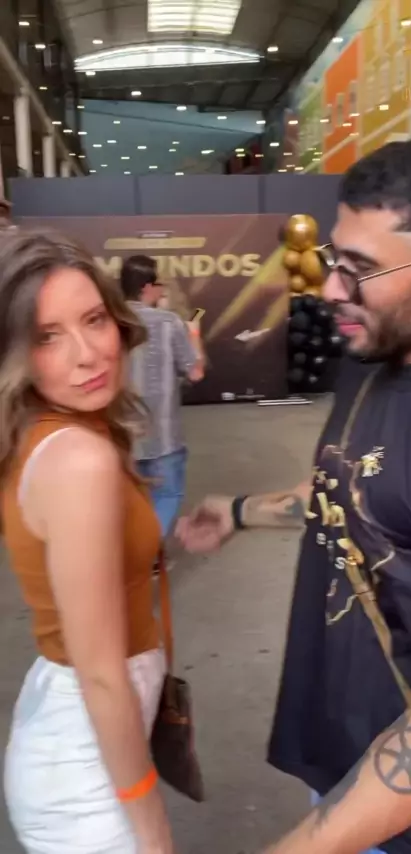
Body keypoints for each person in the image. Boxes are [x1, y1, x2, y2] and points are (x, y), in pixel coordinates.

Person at [177, 136, 411, 854]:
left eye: (360, 269)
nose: (331, 288)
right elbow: (359, 491)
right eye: (333, 260)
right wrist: (244, 511)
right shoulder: (374, 357)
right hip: (342, 755)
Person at [0, 229, 174, 854]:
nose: (87, 354)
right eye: (47, 336)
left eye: (94, 319)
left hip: (74, 732)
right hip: (86, 773)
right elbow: (101, 676)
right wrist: (151, 827)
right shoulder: (77, 458)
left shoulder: (45, 431)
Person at [120, 254, 205, 538]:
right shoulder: (170, 323)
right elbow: (195, 372)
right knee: (167, 494)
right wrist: (194, 334)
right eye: (159, 284)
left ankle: (131, 549)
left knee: (127, 499)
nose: (162, 290)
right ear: (147, 287)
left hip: (121, 436)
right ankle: (149, 551)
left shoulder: (109, 320)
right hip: (164, 436)